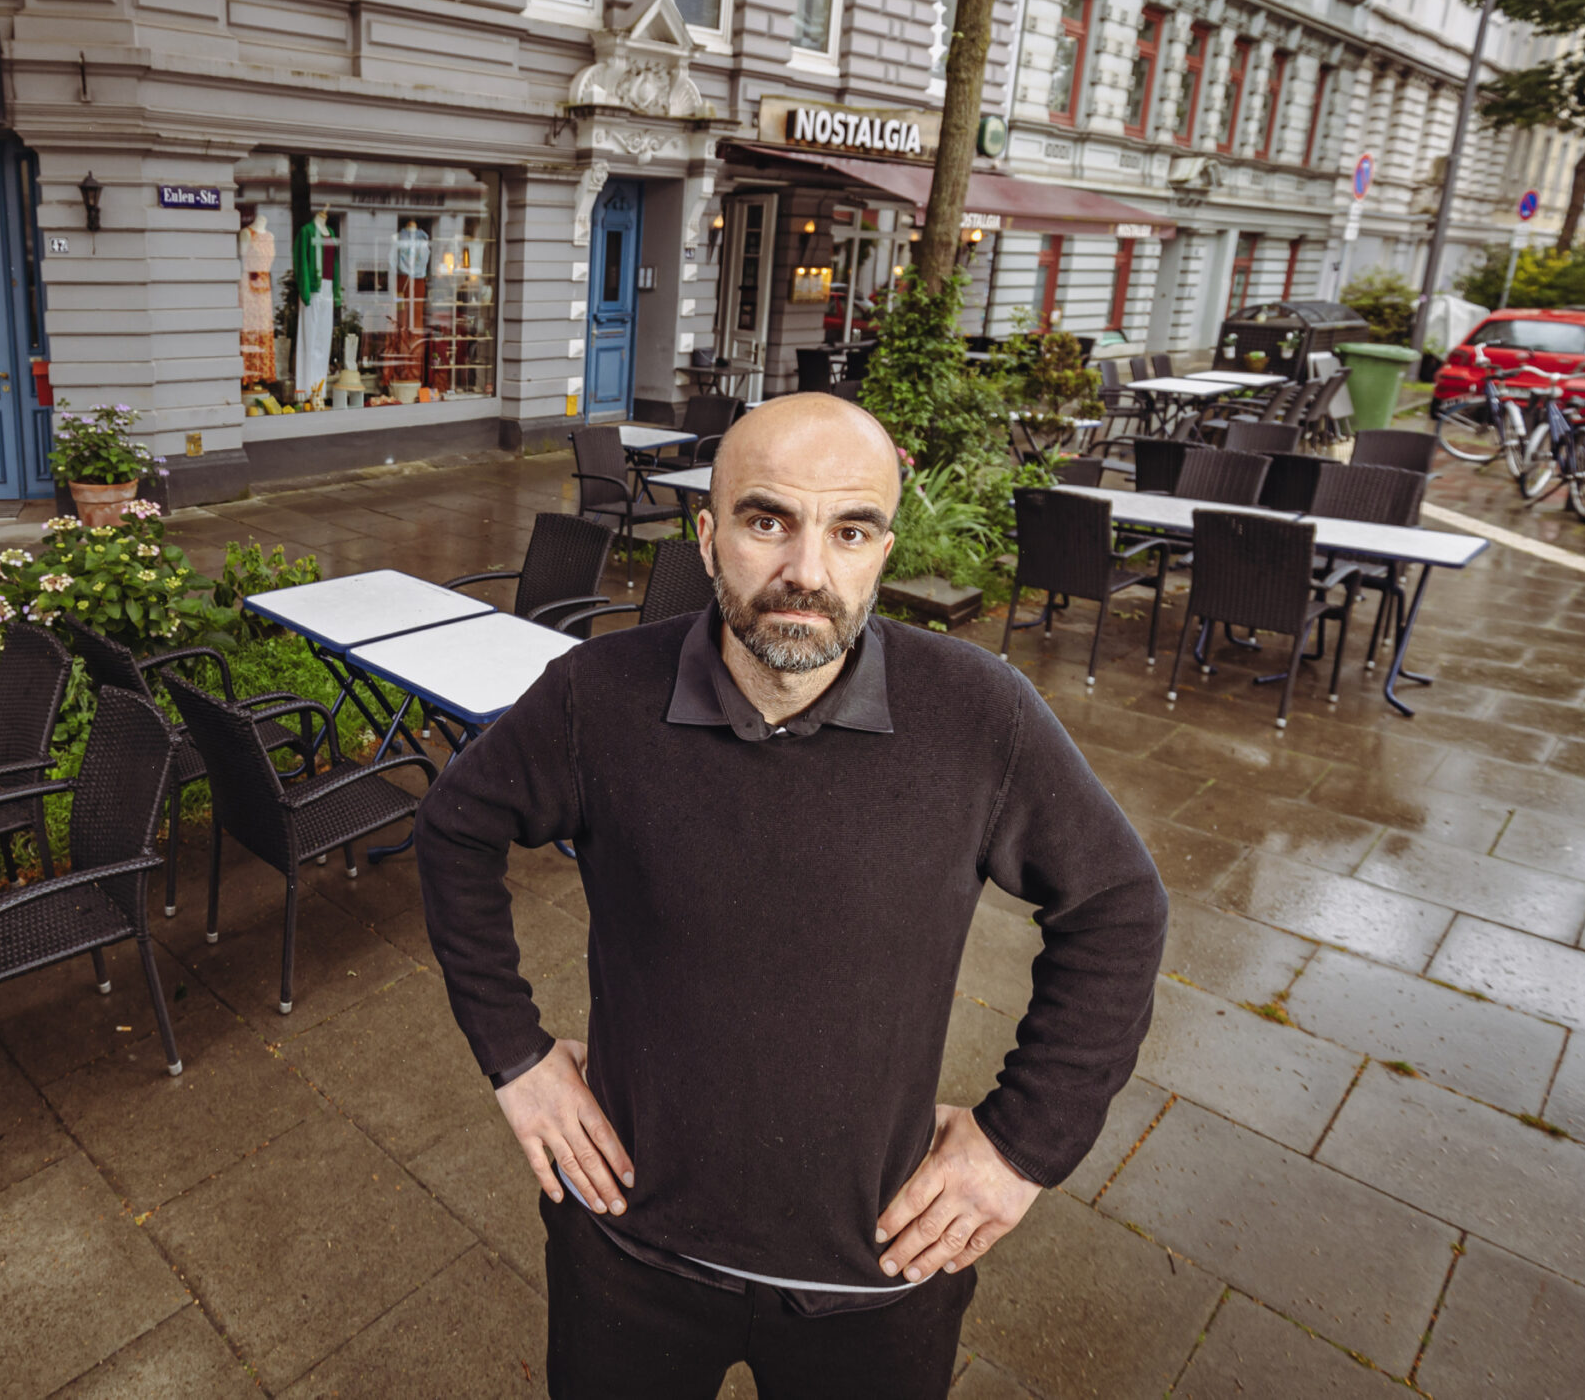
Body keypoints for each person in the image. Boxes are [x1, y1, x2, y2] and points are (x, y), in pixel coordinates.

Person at [416, 392, 1167, 1400]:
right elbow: (455, 825)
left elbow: (1116, 905)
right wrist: (515, 1056)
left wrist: (1020, 1145)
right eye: (767, 520)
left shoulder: (979, 716)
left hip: (875, 1280)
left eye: (849, 529)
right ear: (708, 534)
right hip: (625, 1257)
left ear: (882, 550)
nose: (806, 571)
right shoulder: (595, 698)